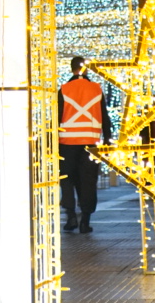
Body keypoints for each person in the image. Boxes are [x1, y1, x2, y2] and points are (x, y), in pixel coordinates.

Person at [59, 55, 112, 234]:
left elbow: (57, 116)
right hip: (91, 142)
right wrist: (107, 139)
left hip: (66, 142)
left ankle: (71, 216)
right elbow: (104, 116)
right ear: (86, 69)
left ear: (71, 68)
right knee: (88, 181)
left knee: (67, 179)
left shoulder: (64, 89)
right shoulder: (96, 89)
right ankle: (85, 220)